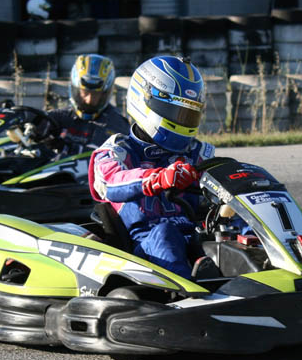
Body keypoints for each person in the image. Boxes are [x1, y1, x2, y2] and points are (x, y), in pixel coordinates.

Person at [89, 55, 220, 279]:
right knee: (166, 234)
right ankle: (188, 293)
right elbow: (111, 183)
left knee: (238, 226)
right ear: (144, 100)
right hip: (145, 247)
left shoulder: (195, 153)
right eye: (176, 112)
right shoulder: (117, 151)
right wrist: (157, 178)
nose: (182, 120)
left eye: (189, 113)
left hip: (196, 235)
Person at [21, 53, 128, 155]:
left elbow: (100, 158)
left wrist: (65, 148)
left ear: (105, 94)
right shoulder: (63, 116)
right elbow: (41, 119)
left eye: (96, 94)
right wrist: (27, 122)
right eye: (85, 93)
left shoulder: (116, 124)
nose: (89, 100)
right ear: (75, 89)